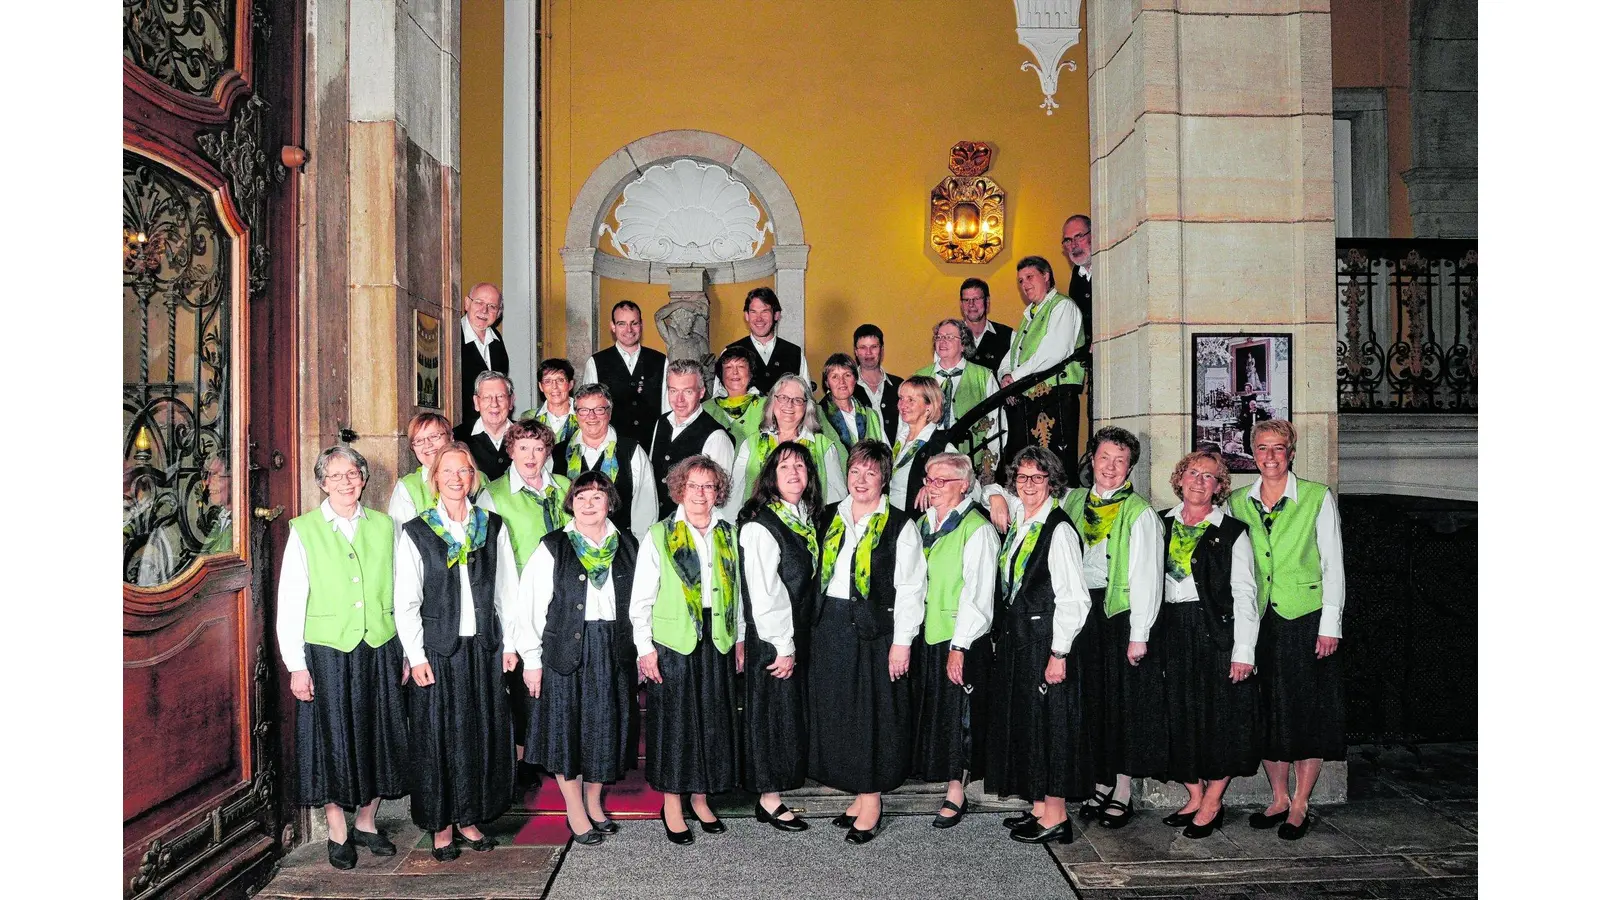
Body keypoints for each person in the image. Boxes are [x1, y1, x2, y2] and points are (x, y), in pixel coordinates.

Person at [276, 446, 409, 869]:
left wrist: (406, 650)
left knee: (377, 733)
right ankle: (337, 827)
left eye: (353, 474)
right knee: (330, 737)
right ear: (321, 483)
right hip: (327, 651)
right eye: (335, 476)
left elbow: (402, 590)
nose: (345, 482)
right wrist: (296, 664)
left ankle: (367, 821)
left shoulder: (387, 526)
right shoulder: (305, 529)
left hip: (380, 646)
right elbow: (291, 599)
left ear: (364, 479)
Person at [394, 442, 520, 861]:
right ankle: (442, 823)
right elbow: (406, 601)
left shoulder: (493, 526)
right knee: (437, 737)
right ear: (434, 479)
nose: (455, 478)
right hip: (437, 651)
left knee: (478, 733)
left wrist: (510, 645)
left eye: (463, 470)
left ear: (474, 478)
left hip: (483, 647)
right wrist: (416, 656)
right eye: (447, 471)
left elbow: (508, 591)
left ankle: (470, 816)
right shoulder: (417, 531)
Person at [1229, 420, 1346, 841]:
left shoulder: (1316, 497)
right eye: (1262, 448)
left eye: (1279, 448)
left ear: (1291, 452)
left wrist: (1330, 623)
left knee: (1305, 710)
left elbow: (1334, 564)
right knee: (1267, 712)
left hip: (1305, 617)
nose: (1271, 456)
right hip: (1259, 620)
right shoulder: (1239, 501)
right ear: (1252, 454)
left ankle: (1300, 803)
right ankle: (1277, 797)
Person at [809, 440, 928, 844]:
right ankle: (859, 794)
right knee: (841, 710)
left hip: (876, 630)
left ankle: (872, 798)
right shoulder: (829, 516)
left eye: (871, 473)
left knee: (872, 714)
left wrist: (902, 643)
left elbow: (912, 588)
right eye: (856, 471)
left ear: (884, 478)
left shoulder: (899, 525)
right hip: (832, 627)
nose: (862, 480)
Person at [513, 472, 639, 845]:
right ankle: (575, 809)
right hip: (566, 651)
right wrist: (531, 661)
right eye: (581, 496)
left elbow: (640, 603)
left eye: (597, 497)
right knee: (567, 732)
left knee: (605, 729)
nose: (588, 504)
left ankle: (594, 802)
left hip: (612, 648)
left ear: (610, 503)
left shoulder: (628, 545)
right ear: (571, 503)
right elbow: (529, 607)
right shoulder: (554, 546)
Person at [630, 456, 745, 845]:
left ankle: (701, 798)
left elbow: (737, 594)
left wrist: (740, 636)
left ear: (718, 492)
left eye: (708, 486)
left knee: (713, 722)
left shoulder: (728, 533)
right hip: (674, 642)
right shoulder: (660, 533)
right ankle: (673, 804)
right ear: (680, 489)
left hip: (717, 639)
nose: (700, 493)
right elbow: (641, 599)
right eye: (693, 486)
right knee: (674, 727)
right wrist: (645, 650)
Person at [985, 446, 1093, 845]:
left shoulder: (1058, 529)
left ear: (1052, 482)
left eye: (1038, 477)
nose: (1029, 484)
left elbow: (1075, 598)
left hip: (1048, 642)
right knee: (1031, 723)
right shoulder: (1022, 520)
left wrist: (1059, 653)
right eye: (1023, 477)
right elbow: (984, 489)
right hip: (1021, 641)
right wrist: (996, 494)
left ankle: (1057, 815)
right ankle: (1038, 808)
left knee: (1053, 725)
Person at [1061, 427, 1165, 829]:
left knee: (1121, 703)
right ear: (1091, 459)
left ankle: (1122, 787)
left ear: (1130, 468)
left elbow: (1147, 578)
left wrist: (1139, 634)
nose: (1110, 467)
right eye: (1104, 457)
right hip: (1079, 613)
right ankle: (1100, 781)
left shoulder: (1139, 512)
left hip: (1117, 615)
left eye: (1120, 461)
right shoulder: (1072, 501)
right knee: (1091, 701)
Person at [1160, 449, 1262, 839]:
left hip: (1216, 634)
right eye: (1193, 473)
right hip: (1171, 630)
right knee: (1178, 714)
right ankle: (1193, 793)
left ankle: (1214, 800)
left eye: (1210, 476)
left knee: (1220, 720)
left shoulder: (1232, 531)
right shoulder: (1159, 523)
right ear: (1180, 478)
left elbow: (1245, 595)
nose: (1199, 481)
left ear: (1220, 486)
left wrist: (1244, 651)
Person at [737, 442, 824, 833]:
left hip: (796, 633)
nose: (794, 474)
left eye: (801, 468)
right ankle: (768, 799)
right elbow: (765, 592)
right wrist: (782, 646)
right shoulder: (761, 524)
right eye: (785, 467)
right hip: (774, 639)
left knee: (788, 714)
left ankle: (775, 791)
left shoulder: (803, 517)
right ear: (771, 475)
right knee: (771, 715)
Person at [909, 453, 999, 830]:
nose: (932, 486)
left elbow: (977, 596)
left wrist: (959, 647)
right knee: (933, 711)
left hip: (958, 636)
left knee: (956, 716)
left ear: (964, 485)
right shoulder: (922, 523)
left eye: (941, 481)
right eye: (929, 480)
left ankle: (956, 791)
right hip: (926, 633)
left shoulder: (977, 529)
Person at [478, 419, 570, 769]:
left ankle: (557, 749)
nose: (531, 456)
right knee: (521, 680)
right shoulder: (495, 494)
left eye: (538, 447)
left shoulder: (563, 487)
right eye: (523, 448)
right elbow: (493, 557)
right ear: (510, 450)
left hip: (563, 595)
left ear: (548, 451)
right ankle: (524, 757)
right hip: (517, 594)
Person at [998, 256, 1086, 482]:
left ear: (1046, 276)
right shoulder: (1028, 316)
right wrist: (1005, 376)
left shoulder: (1062, 306)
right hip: (1030, 403)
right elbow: (1012, 355)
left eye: (1029, 277)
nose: (1024, 284)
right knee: (1025, 465)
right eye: (1020, 281)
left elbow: (1054, 352)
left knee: (1052, 467)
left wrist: (1014, 377)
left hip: (1055, 399)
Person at [554, 384, 658, 539]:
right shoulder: (558, 453)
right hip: (570, 546)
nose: (591, 416)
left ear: (609, 413)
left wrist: (636, 548)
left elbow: (646, 507)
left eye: (599, 409)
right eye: (584, 410)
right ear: (576, 414)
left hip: (620, 547)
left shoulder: (631, 451)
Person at [730, 373, 846, 511]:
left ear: (807, 407)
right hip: (758, 526)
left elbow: (837, 500)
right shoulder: (751, 444)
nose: (789, 405)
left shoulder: (824, 446)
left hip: (809, 529)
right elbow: (735, 494)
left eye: (797, 400)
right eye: (783, 398)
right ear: (772, 402)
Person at [916, 319, 1001, 479]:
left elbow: (995, 423)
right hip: (928, 459)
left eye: (949, 337)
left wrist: (990, 465)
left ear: (963, 344)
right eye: (939, 337)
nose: (942, 341)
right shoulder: (919, 377)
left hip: (971, 458)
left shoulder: (983, 376)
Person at [650, 359, 734, 520]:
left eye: (687, 392)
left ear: (701, 392)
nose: (679, 400)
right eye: (673, 391)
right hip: (660, 524)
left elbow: (717, 498)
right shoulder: (661, 423)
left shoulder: (716, 436)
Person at [583, 301, 668, 452]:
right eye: (622, 324)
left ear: (641, 325)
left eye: (634, 323)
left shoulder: (660, 361)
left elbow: (667, 409)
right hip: (611, 449)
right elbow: (590, 411)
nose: (629, 329)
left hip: (651, 447)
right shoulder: (596, 362)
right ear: (613, 326)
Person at [721, 287, 808, 394]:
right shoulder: (729, 352)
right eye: (753, 312)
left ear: (776, 315)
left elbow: (806, 398)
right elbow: (719, 398)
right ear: (746, 316)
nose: (759, 319)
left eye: (764, 312)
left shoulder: (795, 353)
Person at [391, 412, 473, 524]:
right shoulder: (407, 488)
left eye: (434, 436)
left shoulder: (478, 478)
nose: (427, 445)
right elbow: (401, 536)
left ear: (451, 438)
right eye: (419, 440)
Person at [460, 282, 510, 433]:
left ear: (498, 312)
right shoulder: (451, 335)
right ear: (467, 303)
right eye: (479, 302)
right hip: (462, 428)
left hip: (492, 428)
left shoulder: (497, 340)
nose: (484, 310)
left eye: (492, 306)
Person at [452, 371, 516, 481]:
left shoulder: (527, 435)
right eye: (487, 397)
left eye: (500, 396)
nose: (494, 404)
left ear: (511, 401)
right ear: (476, 402)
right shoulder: (458, 437)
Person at [703, 344, 768, 450]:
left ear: (751, 372)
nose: (735, 372)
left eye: (741, 366)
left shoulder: (766, 406)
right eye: (728, 367)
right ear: (721, 374)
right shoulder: (706, 409)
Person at [817, 352, 885, 450]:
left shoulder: (871, 415)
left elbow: (884, 454)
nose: (842, 382)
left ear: (855, 379)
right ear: (827, 383)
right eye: (835, 377)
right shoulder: (816, 415)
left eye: (847, 375)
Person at [851, 324, 903, 439]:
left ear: (882, 349)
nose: (868, 353)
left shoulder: (899, 386)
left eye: (874, 347)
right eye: (863, 347)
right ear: (855, 351)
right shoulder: (847, 388)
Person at [959, 277, 1014, 374]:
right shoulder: (948, 337)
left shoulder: (1009, 336)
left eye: (976, 299)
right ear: (961, 304)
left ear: (987, 302)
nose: (971, 304)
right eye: (966, 300)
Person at [1060, 215, 1093, 347]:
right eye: (1068, 240)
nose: (1074, 245)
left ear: (1094, 235)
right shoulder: (1076, 274)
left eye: (1079, 237)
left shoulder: (1111, 266)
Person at [531, 358, 579, 446]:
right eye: (547, 381)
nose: (554, 387)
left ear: (571, 384)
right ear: (541, 386)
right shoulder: (529, 418)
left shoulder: (585, 417)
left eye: (560, 380)